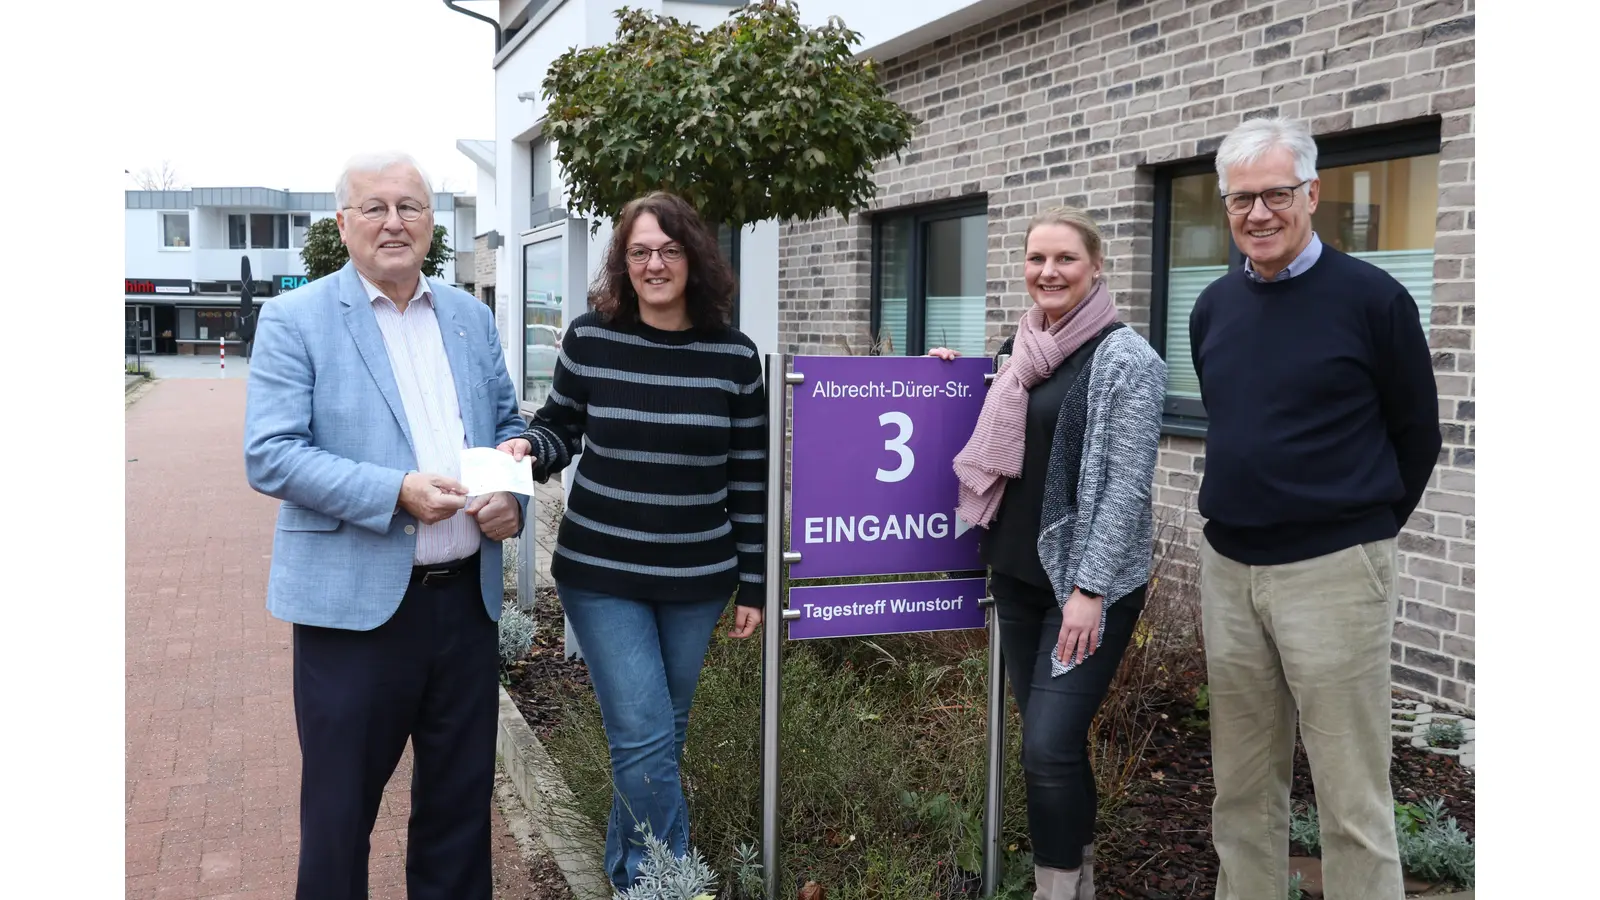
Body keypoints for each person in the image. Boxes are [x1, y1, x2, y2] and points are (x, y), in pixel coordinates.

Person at [243, 151, 528, 900]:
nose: (394, 221)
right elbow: (270, 456)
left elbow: (506, 426)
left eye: (411, 206)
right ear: (344, 224)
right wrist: (394, 490)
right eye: (374, 207)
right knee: (339, 819)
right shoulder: (295, 318)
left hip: (466, 606)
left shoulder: (469, 316)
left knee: (459, 812)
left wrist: (513, 501)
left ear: (434, 223)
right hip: (352, 615)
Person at [1189, 116, 1441, 900]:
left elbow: (1417, 435)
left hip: (1335, 570)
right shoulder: (1211, 308)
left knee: (1351, 797)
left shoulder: (1374, 299)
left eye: (1275, 195)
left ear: (1312, 193)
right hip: (1229, 570)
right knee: (1241, 790)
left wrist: (1356, 533)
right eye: (1240, 201)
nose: (1257, 214)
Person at [496, 191, 767, 890]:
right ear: (623, 263)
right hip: (602, 572)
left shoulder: (734, 358)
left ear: (695, 258)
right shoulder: (592, 339)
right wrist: (531, 445)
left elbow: (748, 478)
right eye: (639, 251)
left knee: (656, 741)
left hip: (696, 579)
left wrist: (757, 584)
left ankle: (626, 875)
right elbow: (562, 425)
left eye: (669, 249)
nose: (654, 264)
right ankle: (666, 884)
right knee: (646, 737)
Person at [930, 207, 1166, 900]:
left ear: (1096, 267)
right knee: (1051, 744)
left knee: (1046, 747)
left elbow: (1127, 485)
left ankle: (1055, 890)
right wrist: (956, 375)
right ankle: (1080, 878)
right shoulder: (1024, 346)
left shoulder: (1128, 359)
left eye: (1064, 259)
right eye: (1037, 259)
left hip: (1085, 589)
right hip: (1018, 577)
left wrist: (1090, 589)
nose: (1048, 272)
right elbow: (1003, 419)